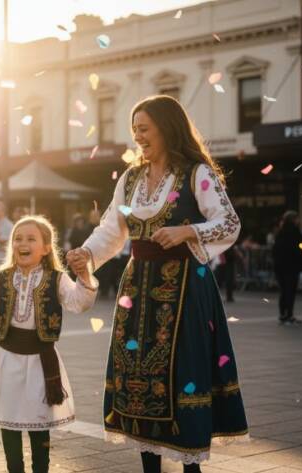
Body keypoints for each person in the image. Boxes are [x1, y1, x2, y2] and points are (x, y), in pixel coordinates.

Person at [66, 95, 248, 472]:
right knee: (137, 375)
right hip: (137, 291)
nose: (138, 137)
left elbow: (229, 223)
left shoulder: (196, 172)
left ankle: (190, 466)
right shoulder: (131, 178)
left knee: (182, 374)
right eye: (134, 130)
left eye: (144, 129)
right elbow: (111, 230)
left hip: (185, 290)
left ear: (167, 127)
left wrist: (188, 231)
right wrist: (86, 253)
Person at [0, 215, 98, 473]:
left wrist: (84, 274)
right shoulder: (2, 278)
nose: (23, 243)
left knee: (39, 423)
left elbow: (79, 303)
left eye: (31, 239)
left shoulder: (56, 278)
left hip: (42, 362)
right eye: (18, 238)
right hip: (8, 359)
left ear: (46, 248)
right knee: (8, 421)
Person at [272, 211, 302, 325]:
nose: (298, 221)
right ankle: (289, 314)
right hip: (292, 266)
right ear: (293, 220)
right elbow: (300, 246)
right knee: (290, 290)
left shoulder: (280, 232)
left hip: (280, 266)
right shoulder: (295, 232)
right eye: (297, 219)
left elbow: (275, 249)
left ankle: (283, 314)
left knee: (283, 291)